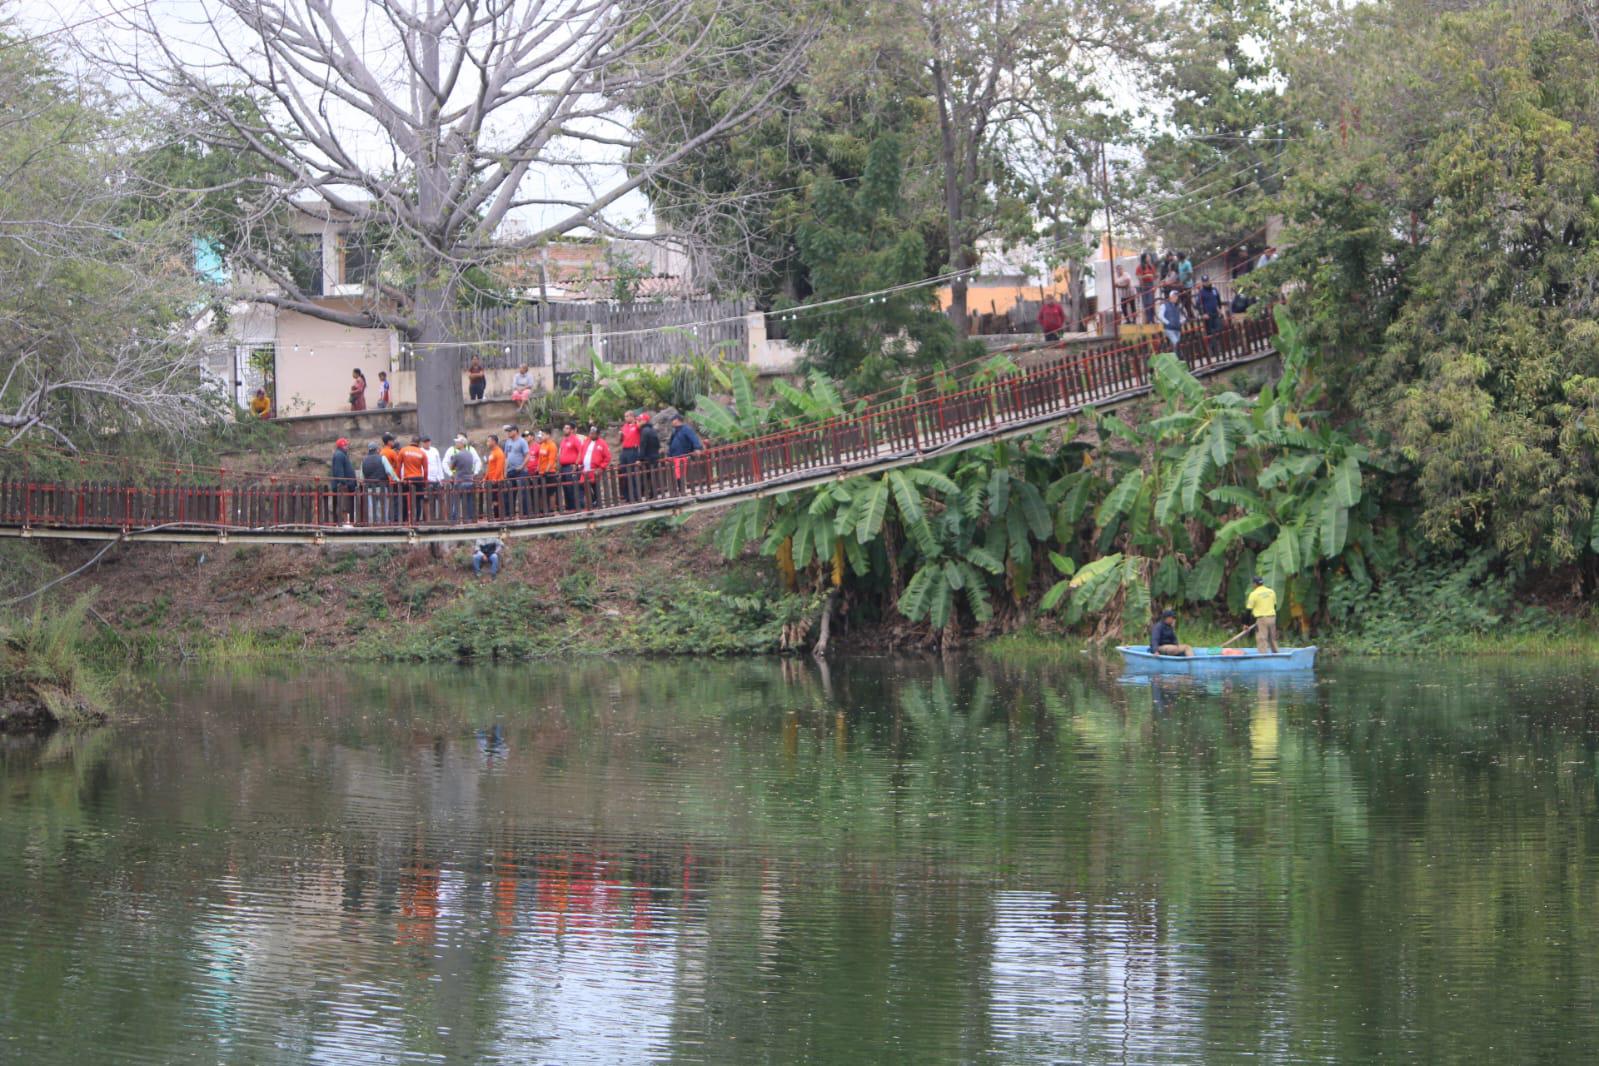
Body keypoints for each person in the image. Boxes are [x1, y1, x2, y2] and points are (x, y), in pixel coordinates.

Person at [444, 434, 482, 522]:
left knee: (456, 501)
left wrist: (452, 460)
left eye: (457, 442)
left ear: (462, 443)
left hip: (460, 481)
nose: (456, 444)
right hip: (469, 481)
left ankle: (455, 519)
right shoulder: (470, 454)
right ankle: (469, 518)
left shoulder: (458, 455)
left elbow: (451, 467)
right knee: (469, 501)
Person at [397, 436, 430, 523]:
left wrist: (399, 478)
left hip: (407, 479)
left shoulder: (403, 450)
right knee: (418, 501)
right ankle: (417, 520)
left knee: (405, 500)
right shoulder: (422, 453)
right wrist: (425, 482)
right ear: (419, 443)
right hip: (418, 479)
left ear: (410, 441)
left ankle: (405, 520)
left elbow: (398, 466)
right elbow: (426, 470)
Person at [362, 440, 395, 523]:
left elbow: (362, 476)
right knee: (384, 506)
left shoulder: (364, 460)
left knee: (372, 507)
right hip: (382, 487)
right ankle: (384, 523)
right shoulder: (382, 458)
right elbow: (390, 471)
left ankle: (373, 523)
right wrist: (397, 480)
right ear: (377, 450)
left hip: (369, 488)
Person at [668, 413, 703, 490]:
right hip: (675, 456)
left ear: (677, 420)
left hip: (682, 455)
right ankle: (680, 489)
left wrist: (697, 448)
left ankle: (682, 489)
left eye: (672, 420)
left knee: (679, 473)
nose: (671, 422)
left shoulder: (686, 429)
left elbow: (693, 438)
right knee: (677, 473)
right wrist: (669, 454)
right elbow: (671, 443)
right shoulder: (675, 431)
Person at [580, 422, 611, 509]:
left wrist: (601, 467)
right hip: (585, 469)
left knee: (595, 486)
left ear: (597, 434)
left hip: (595, 470)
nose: (591, 435)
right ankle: (593, 500)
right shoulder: (586, 441)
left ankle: (598, 502)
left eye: (593, 433)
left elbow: (607, 457)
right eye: (590, 433)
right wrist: (579, 463)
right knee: (583, 484)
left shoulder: (602, 443)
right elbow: (582, 452)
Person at [501, 424, 529, 517]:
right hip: (510, 470)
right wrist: (504, 471)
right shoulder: (508, 442)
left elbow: (527, 455)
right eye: (507, 431)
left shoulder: (522, 441)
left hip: (520, 471)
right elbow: (506, 457)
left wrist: (521, 466)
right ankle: (509, 514)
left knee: (523, 492)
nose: (508, 433)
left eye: (509, 431)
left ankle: (524, 514)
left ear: (515, 431)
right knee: (508, 493)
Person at [1246, 575, 1280, 653]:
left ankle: (1263, 656)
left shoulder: (1254, 594)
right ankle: (1276, 654)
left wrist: (1246, 624)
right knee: (1273, 638)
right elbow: (1274, 606)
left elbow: (1248, 610)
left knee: (1262, 639)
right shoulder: (1271, 591)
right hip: (1272, 617)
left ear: (1254, 584)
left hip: (1261, 619)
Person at [329, 437, 357, 524]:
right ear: (341, 446)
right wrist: (344, 482)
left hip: (345, 485)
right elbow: (339, 471)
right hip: (343, 486)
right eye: (345, 445)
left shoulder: (342, 455)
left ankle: (345, 522)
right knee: (344, 505)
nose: (347, 447)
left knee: (345, 505)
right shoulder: (339, 455)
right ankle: (344, 522)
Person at [557, 422, 584, 510]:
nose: (565, 430)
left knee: (573, 488)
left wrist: (576, 464)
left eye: (567, 428)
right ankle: (569, 507)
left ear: (572, 430)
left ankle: (577, 507)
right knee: (566, 488)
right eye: (564, 428)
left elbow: (581, 451)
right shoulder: (563, 440)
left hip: (571, 466)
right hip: (563, 467)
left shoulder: (575, 439)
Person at [532, 429, 559, 512]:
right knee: (541, 491)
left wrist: (546, 471)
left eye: (543, 435)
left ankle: (551, 509)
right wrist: (538, 468)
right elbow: (540, 458)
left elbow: (551, 460)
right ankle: (542, 509)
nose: (541, 437)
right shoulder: (542, 445)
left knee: (551, 492)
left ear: (548, 435)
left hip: (549, 472)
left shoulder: (552, 445)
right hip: (541, 472)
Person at [617, 411, 641, 501]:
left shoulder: (636, 425)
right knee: (625, 474)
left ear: (632, 417)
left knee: (633, 474)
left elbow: (640, 427)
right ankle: (627, 496)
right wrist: (620, 436)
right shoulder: (624, 427)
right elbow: (620, 440)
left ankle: (635, 495)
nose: (625, 418)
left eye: (627, 416)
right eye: (625, 416)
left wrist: (636, 420)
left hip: (633, 450)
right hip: (624, 450)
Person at [637, 409, 661, 499]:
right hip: (655, 455)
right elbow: (658, 444)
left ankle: (646, 494)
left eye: (639, 421)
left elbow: (643, 445)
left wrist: (640, 458)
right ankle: (653, 494)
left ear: (644, 421)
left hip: (648, 458)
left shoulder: (644, 431)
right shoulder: (652, 430)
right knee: (653, 475)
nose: (637, 423)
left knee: (646, 476)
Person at [421, 434, 444, 522]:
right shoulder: (421, 451)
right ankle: (428, 519)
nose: (427, 443)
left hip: (436, 479)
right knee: (427, 500)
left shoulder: (435, 450)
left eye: (428, 441)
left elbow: (439, 464)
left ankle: (443, 518)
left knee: (441, 499)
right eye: (425, 442)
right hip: (426, 479)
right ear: (422, 443)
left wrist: (441, 478)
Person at [380, 432, 403, 520]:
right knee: (395, 501)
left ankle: (387, 518)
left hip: (385, 480)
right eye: (392, 440)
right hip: (393, 480)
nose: (393, 442)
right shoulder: (392, 452)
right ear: (389, 442)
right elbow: (398, 465)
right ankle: (394, 519)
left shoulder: (381, 452)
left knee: (387, 501)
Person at [482, 433, 505, 518]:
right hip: (491, 480)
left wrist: (494, 479)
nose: (487, 443)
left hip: (497, 481)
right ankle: (496, 516)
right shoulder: (492, 453)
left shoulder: (499, 453)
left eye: (489, 441)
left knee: (497, 500)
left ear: (494, 442)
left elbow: (499, 468)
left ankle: (498, 517)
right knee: (493, 500)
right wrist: (485, 478)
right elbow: (490, 467)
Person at [1197, 275, 1223, 343]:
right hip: (1208, 315)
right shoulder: (1201, 292)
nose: (1206, 283)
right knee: (1210, 333)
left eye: (1207, 281)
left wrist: (1219, 308)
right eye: (1204, 281)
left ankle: (1219, 346)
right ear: (1202, 283)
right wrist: (1203, 314)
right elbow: (1198, 304)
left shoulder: (1214, 290)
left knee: (1219, 329)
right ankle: (1213, 349)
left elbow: (1218, 300)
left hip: (1216, 313)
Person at [1136, 252, 1158, 324]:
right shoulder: (1140, 267)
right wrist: (1146, 276)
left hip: (1151, 285)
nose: (1149, 258)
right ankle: (1148, 319)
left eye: (1149, 257)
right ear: (1144, 258)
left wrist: (1155, 285)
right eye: (1148, 257)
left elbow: (1155, 277)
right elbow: (1139, 277)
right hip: (1144, 286)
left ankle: (1152, 319)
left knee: (1150, 303)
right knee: (1146, 304)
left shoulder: (1151, 266)